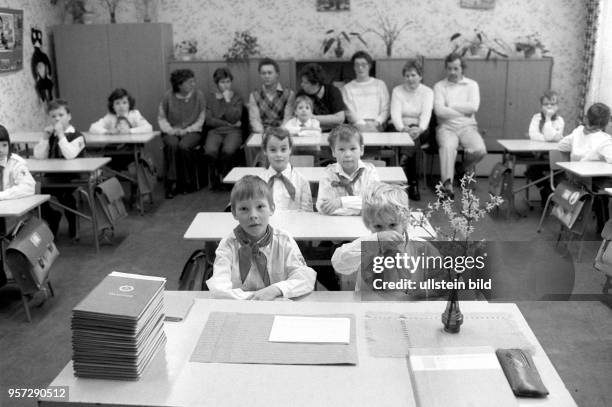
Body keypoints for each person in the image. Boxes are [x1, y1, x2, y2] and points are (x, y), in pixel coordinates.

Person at [206, 175, 316, 300]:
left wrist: (276, 289)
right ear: (234, 213)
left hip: (277, 307)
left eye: (260, 207)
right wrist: (255, 298)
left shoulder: (284, 240)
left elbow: (305, 277)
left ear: (272, 208)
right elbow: (219, 288)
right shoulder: (228, 245)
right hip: (240, 308)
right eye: (244, 209)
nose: (253, 215)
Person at [331, 182, 444, 298]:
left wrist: (426, 290)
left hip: (408, 310)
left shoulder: (421, 247)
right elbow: (339, 263)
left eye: (392, 224)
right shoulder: (366, 245)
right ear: (368, 224)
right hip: (369, 310)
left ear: (404, 222)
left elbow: (443, 279)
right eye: (378, 226)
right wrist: (375, 241)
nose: (386, 232)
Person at [433, 53, 487, 199]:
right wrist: (463, 111)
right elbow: (439, 111)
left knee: (480, 150)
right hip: (446, 127)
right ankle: (447, 185)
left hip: (468, 127)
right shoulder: (439, 86)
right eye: (449, 69)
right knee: (448, 148)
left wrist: (450, 106)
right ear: (446, 69)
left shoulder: (472, 85)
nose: (452, 72)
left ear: (462, 68)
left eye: (456, 68)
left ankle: (462, 167)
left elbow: (474, 107)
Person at [33, 99, 86, 240]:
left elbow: (69, 155)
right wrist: (45, 137)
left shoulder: (78, 136)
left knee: (65, 196)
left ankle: (73, 225)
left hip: (71, 177)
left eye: (61, 115)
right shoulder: (50, 136)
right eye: (53, 116)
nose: (57, 119)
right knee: (35, 191)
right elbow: (38, 156)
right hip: (51, 176)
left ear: (69, 116)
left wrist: (61, 135)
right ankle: (53, 217)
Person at [558, 102, 612, 233]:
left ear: (587, 117)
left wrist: (569, 164)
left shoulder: (577, 132)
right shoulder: (604, 140)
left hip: (574, 181)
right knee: (605, 191)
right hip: (590, 184)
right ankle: (603, 228)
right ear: (606, 123)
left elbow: (561, 146)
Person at [158, 69, 206, 198]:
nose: (193, 84)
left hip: (193, 131)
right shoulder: (168, 96)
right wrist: (171, 130)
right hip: (172, 131)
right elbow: (161, 118)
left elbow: (201, 118)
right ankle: (172, 183)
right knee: (172, 145)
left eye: (193, 81)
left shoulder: (198, 95)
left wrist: (187, 130)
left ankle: (187, 181)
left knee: (184, 146)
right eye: (189, 82)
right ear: (179, 85)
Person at [390, 59, 434, 201]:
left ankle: (404, 175)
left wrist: (419, 129)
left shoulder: (427, 92)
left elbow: (426, 114)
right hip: (400, 127)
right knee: (410, 142)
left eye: (413, 75)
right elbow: (395, 114)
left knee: (412, 140)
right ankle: (413, 183)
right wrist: (403, 128)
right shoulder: (397, 91)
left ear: (420, 76)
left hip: (421, 128)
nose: (410, 78)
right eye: (407, 75)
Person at [316, 124, 380, 215]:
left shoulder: (370, 171)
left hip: (364, 225)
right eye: (341, 149)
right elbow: (322, 207)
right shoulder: (329, 174)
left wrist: (341, 202)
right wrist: (360, 209)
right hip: (335, 224)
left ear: (361, 150)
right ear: (333, 151)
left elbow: (375, 202)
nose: (347, 154)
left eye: (353, 148)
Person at [204, 67, 244, 189]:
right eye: (222, 82)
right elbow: (209, 120)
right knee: (210, 151)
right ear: (217, 84)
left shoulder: (237, 98)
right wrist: (227, 124)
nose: (226, 85)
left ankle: (227, 179)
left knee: (228, 150)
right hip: (215, 131)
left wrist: (227, 100)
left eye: (228, 82)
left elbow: (234, 118)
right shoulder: (210, 98)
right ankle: (215, 179)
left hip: (233, 132)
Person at [524, 90, 565, 205]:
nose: (549, 107)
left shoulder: (559, 120)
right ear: (541, 106)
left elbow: (551, 136)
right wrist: (549, 138)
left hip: (553, 158)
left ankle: (550, 191)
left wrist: (547, 120)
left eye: (552, 104)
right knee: (531, 171)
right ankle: (545, 188)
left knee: (561, 174)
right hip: (538, 156)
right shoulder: (536, 118)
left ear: (557, 106)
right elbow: (533, 135)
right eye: (546, 104)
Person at [260, 127, 312, 212]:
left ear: (290, 149)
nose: (278, 154)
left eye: (283, 149)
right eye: (273, 150)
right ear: (265, 151)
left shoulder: (301, 180)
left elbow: (307, 212)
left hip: (295, 224)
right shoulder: (259, 182)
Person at [341, 51, 389, 132]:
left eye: (363, 65)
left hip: (377, 124)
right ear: (354, 67)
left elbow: (386, 108)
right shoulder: (347, 88)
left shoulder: (380, 84)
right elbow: (348, 111)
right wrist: (362, 124)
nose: (360, 68)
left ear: (369, 66)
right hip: (356, 125)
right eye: (357, 65)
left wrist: (376, 122)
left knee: (373, 138)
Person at [248, 58, 295, 134]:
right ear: (260, 75)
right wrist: (264, 136)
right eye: (263, 73)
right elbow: (255, 120)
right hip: (262, 133)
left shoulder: (289, 94)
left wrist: (279, 134)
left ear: (277, 74)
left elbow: (288, 119)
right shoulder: (254, 95)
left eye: (270, 73)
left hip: (282, 133)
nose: (266, 76)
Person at [296, 63, 346, 130]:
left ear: (316, 83)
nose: (302, 85)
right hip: (311, 134)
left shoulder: (333, 91)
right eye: (302, 81)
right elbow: (300, 120)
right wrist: (330, 123)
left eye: (305, 83)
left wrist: (312, 117)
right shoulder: (301, 94)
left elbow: (340, 119)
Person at [89, 88, 153, 135]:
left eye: (124, 103)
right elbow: (93, 127)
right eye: (117, 103)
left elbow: (148, 127)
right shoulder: (110, 116)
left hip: (133, 146)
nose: (121, 106)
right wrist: (106, 132)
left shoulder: (134, 114)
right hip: (115, 147)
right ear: (112, 106)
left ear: (129, 104)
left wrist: (130, 131)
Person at [0, 125, 36, 201]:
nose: (1, 150)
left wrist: (2, 195)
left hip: (11, 208)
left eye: (4, 145)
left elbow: (28, 187)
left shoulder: (16, 163)